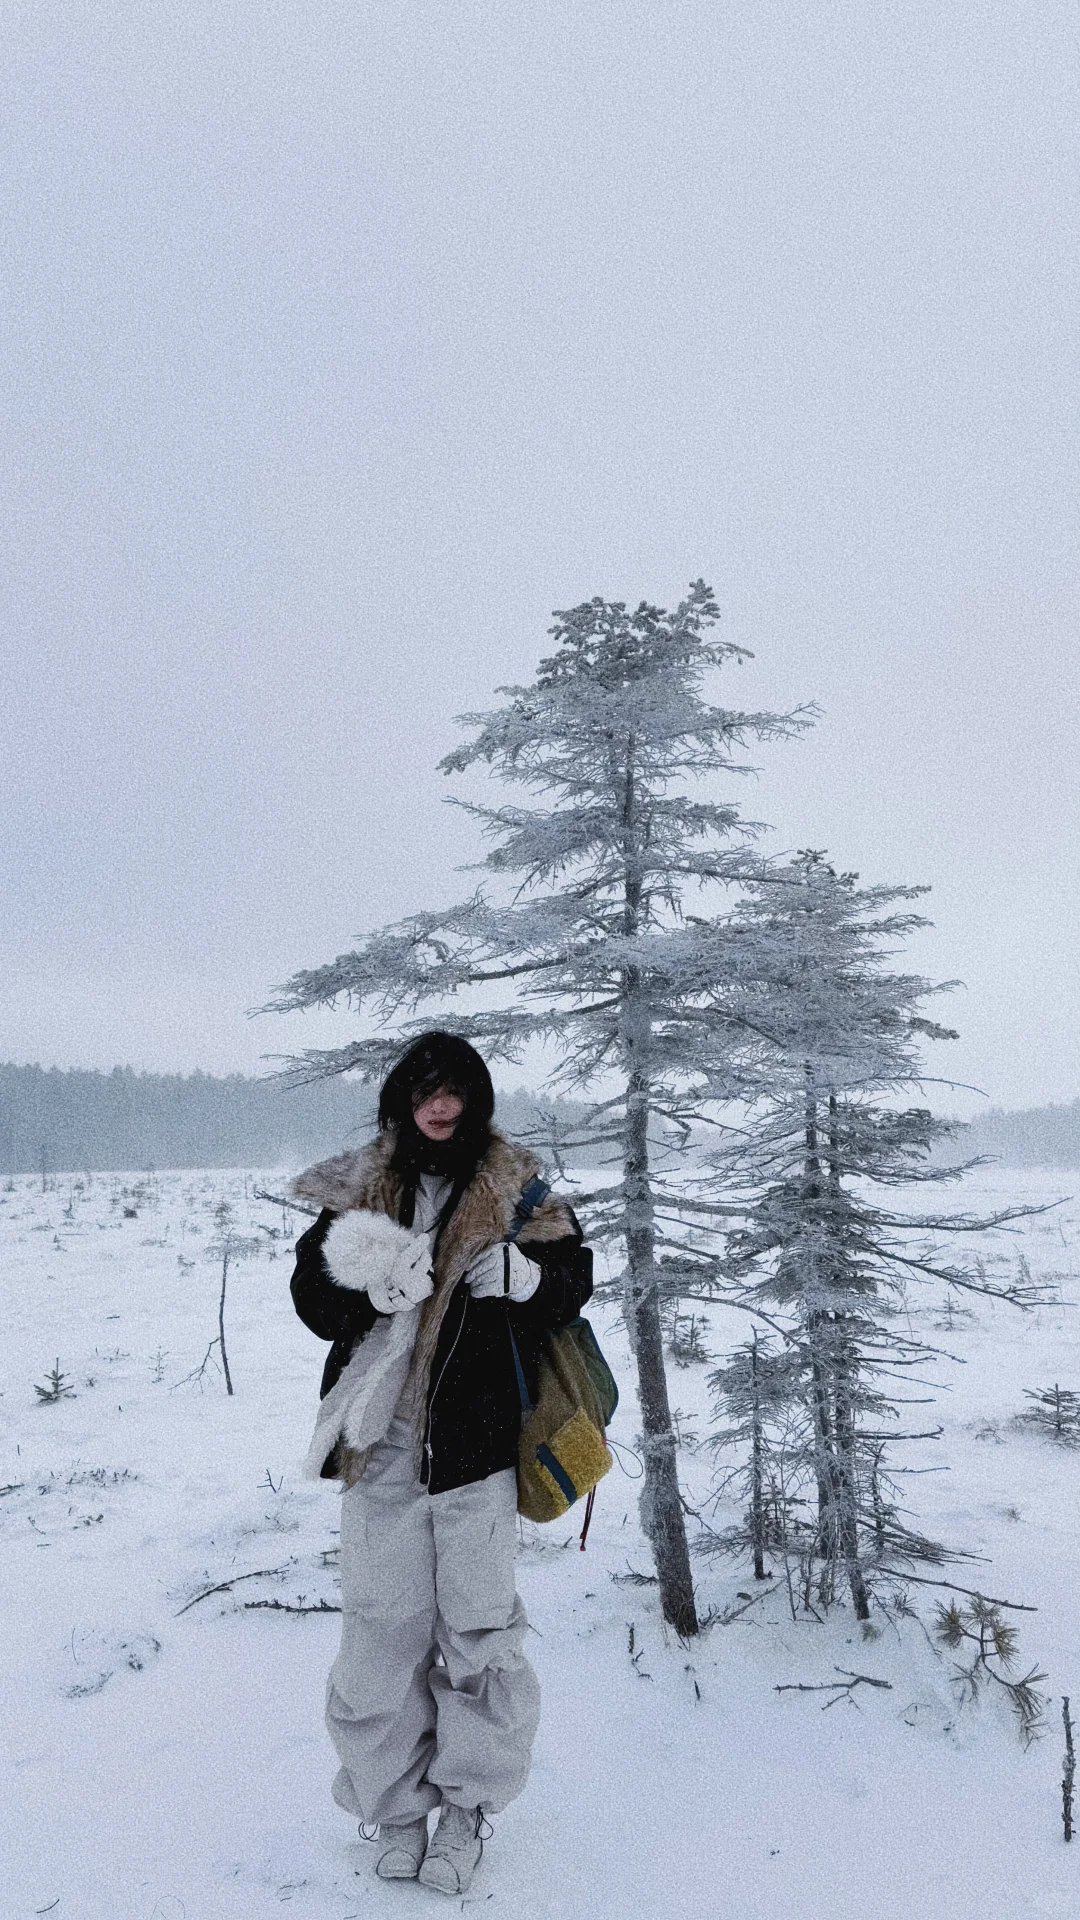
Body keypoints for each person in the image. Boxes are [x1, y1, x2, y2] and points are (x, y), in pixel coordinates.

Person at [289, 1031, 592, 1896]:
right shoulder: (363, 1186)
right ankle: (393, 1809)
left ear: (476, 1101)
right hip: (379, 1447)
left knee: (480, 1638)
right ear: (403, 1099)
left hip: (478, 1453)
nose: (441, 1104)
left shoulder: (518, 1189)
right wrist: (367, 1296)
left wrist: (528, 1281)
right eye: (426, 1088)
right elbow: (311, 1295)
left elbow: (574, 1281)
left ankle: (466, 1809)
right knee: (379, 1636)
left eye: (456, 1089)